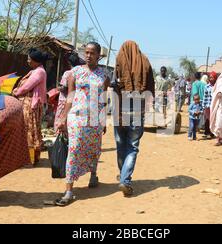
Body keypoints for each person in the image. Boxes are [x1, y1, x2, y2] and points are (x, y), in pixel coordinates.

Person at [56, 42, 110, 206]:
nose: (88, 55)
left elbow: (103, 99)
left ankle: (93, 174)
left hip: (94, 119)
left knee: (94, 147)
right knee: (74, 149)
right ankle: (69, 190)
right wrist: (63, 118)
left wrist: (103, 120)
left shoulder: (104, 75)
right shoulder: (75, 72)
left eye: (92, 53)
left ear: (98, 55)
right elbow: (70, 96)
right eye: (86, 52)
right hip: (76, 117)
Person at [113, 40, 154, 197]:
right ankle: (125, 179)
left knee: (120, 144)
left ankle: (123, 175)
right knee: (132, 146)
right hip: (138, 109)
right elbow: (151, 87)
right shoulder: (145, 62)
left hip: (120, 109)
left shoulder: (119, 60)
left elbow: (114, 87)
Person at [13, 48, 48, 166]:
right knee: (31, 130)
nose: (27, 61)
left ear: (35, 61)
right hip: (29, 104)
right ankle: (33, 158)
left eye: (29, 59)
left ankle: (30, 159)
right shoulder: (36, 70)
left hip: (31, 105)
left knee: (30, 131)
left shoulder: (39, 72)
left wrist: (16, 92)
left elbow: (27, 87)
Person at [54, 53, 83, 134]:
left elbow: (63, 88)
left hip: (65, 101)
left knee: (61, 120)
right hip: (76, 102)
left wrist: (58, 88)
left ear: (69, 62)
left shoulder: (68, 73)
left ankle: (60, 139)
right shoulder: (80, 73)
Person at [202, 71, 217, 139]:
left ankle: (212, 133)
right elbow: (205, 96)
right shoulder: (206, 86)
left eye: (212, 77)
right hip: (207, 105)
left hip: (214, 106)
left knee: (213, 120)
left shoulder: (217, 86)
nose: (211, 79)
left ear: (215, 78)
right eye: (210, 77)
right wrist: (203, 106)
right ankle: (207, 132)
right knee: (207, 119)